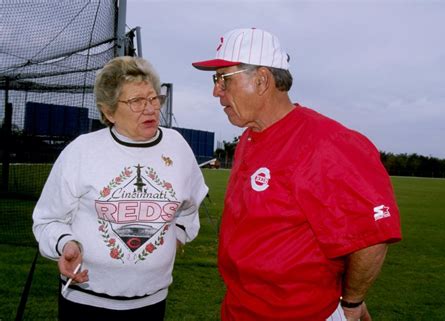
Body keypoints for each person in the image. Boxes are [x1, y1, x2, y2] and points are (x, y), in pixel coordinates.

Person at [192, 28, 402, 321]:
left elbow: (372, 235)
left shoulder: (326, 143)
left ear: (262, 79)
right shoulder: (250, 136)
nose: (216, 90)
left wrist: (352, 302)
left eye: (223, 79)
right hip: (239, 308)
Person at [33, 56, 208, 321]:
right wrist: (65, 243)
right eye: (136, 101)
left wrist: (179, 233)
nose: (150, 109)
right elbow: (47, 220)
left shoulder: (178, 147)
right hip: (86, 301)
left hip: (152, 301)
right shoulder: (82, 150)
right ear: (108, 111)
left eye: (153, 98)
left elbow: (191, 202)